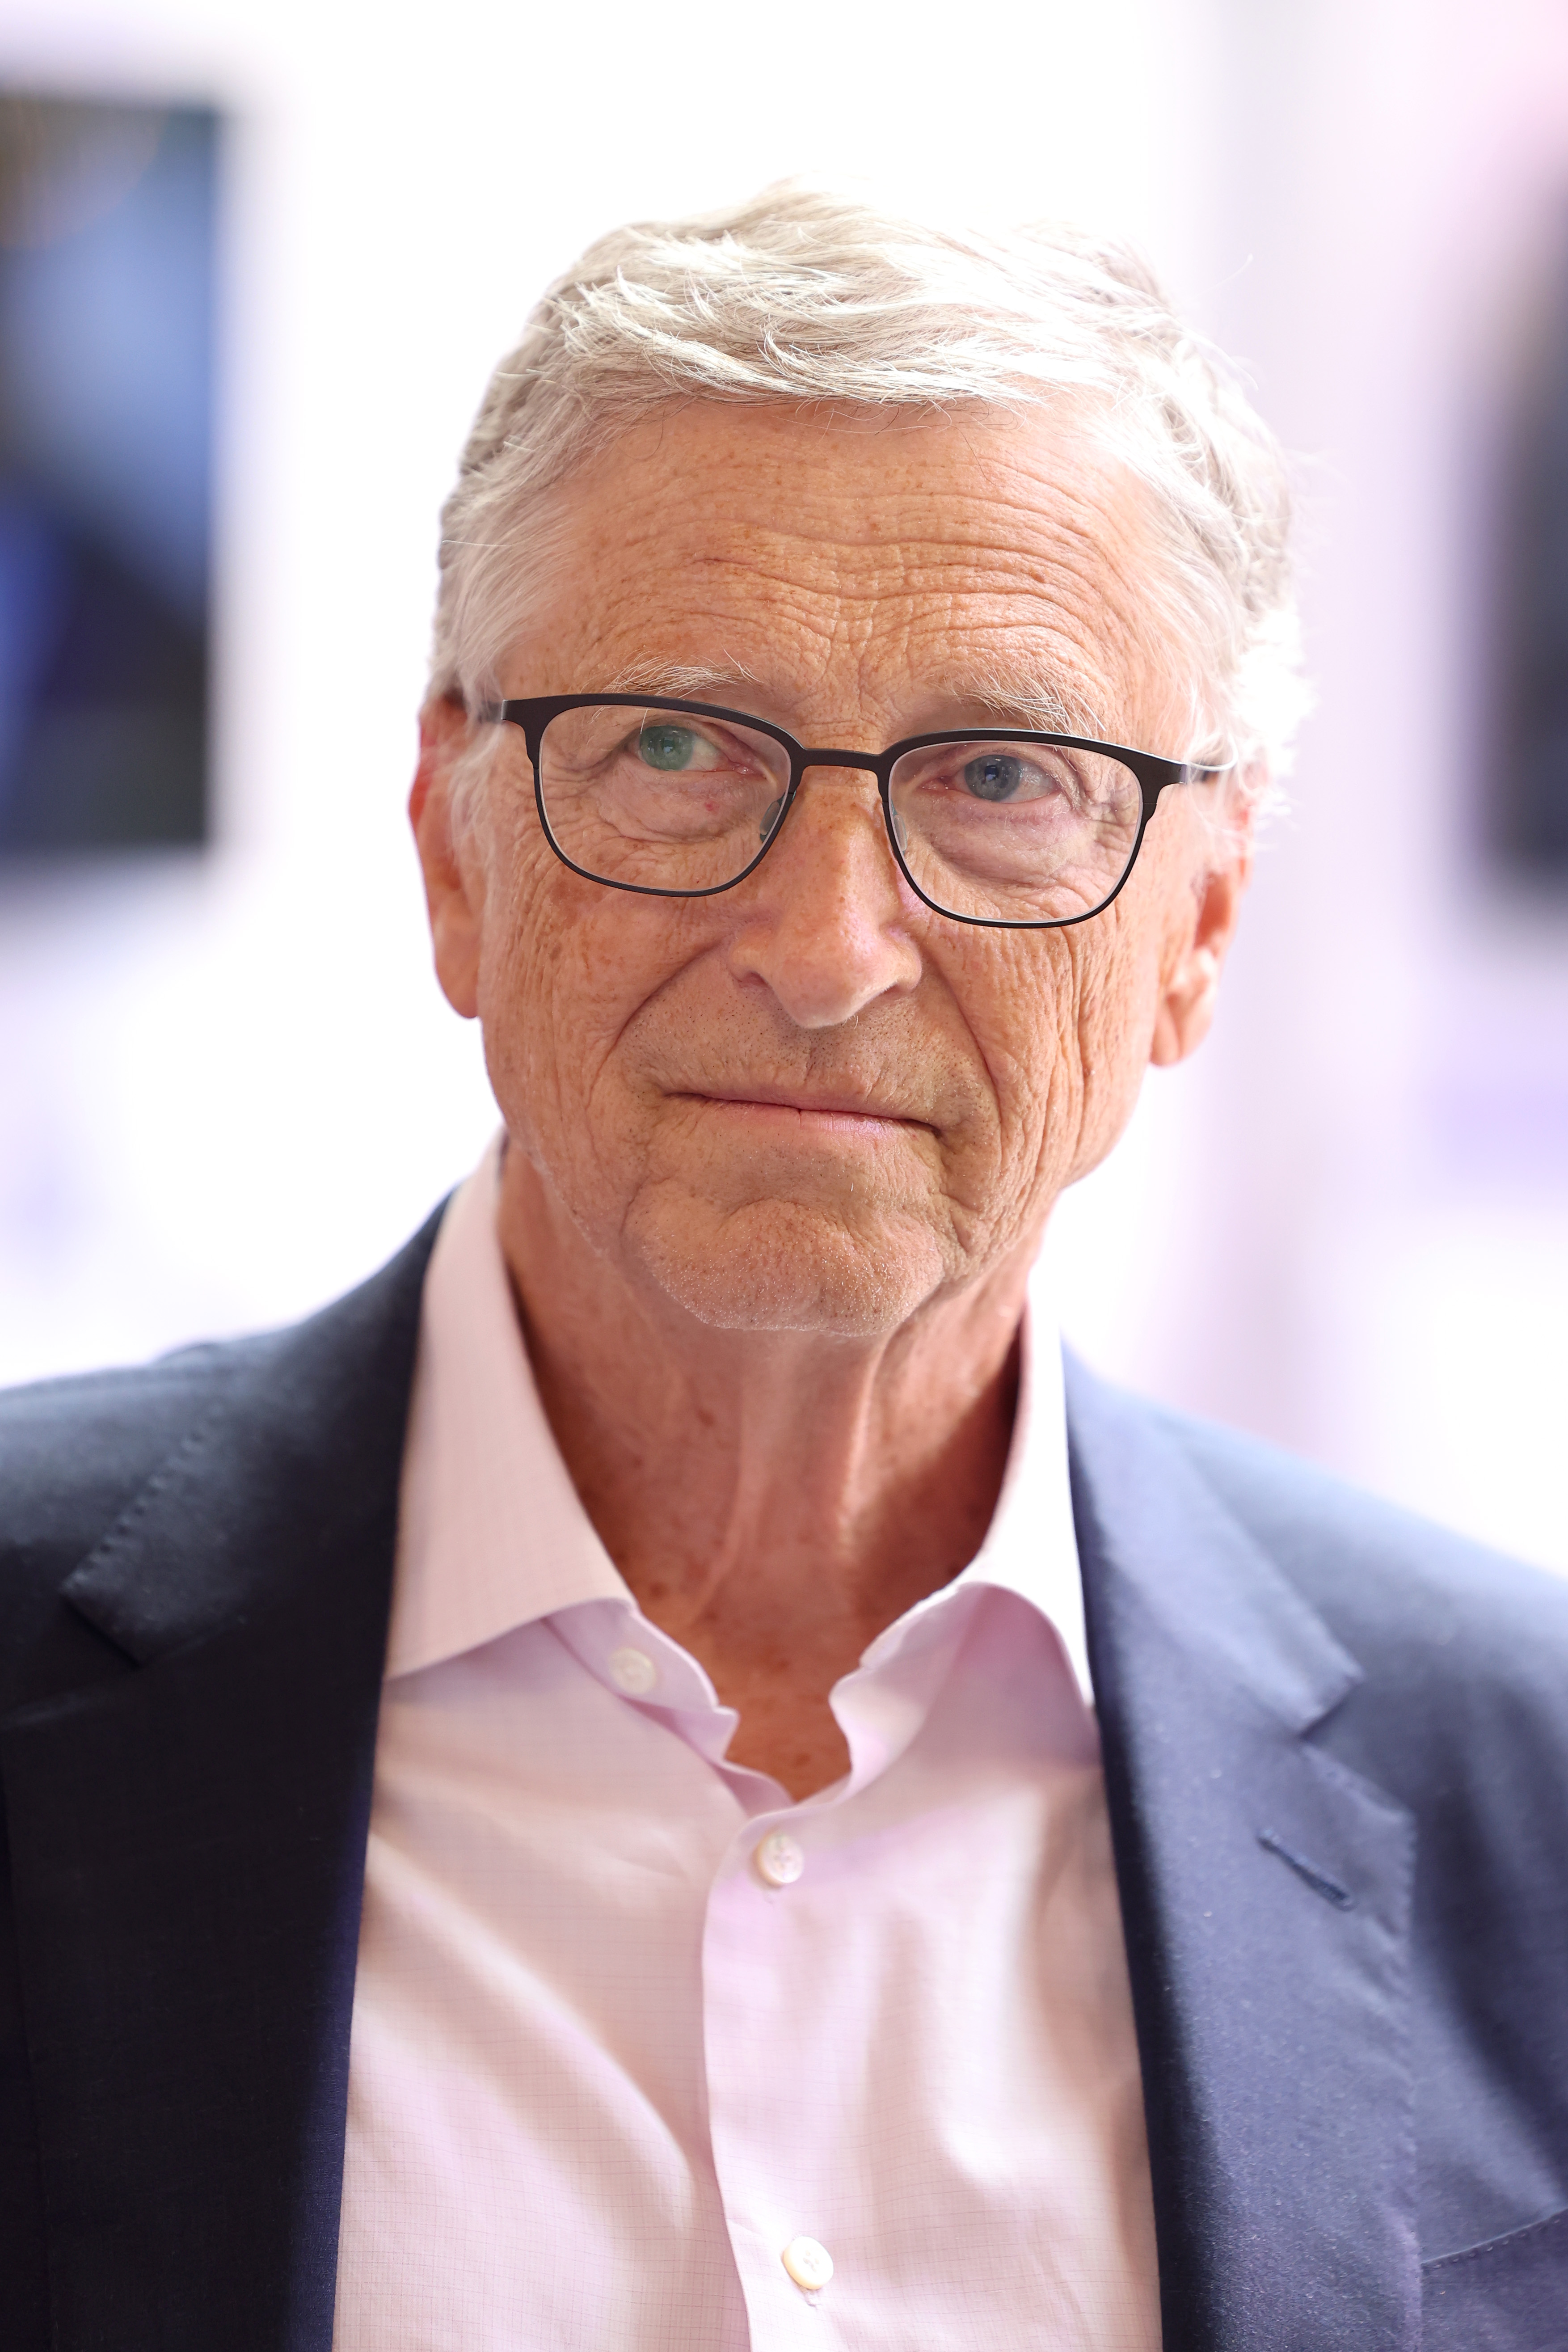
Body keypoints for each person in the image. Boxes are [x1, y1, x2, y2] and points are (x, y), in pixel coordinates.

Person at [1, 185, 1565, 2352]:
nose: (828, 949)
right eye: (672, 744)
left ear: (1198, 922)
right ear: (450, 841)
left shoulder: (1527, 1789)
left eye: (1002, 773)